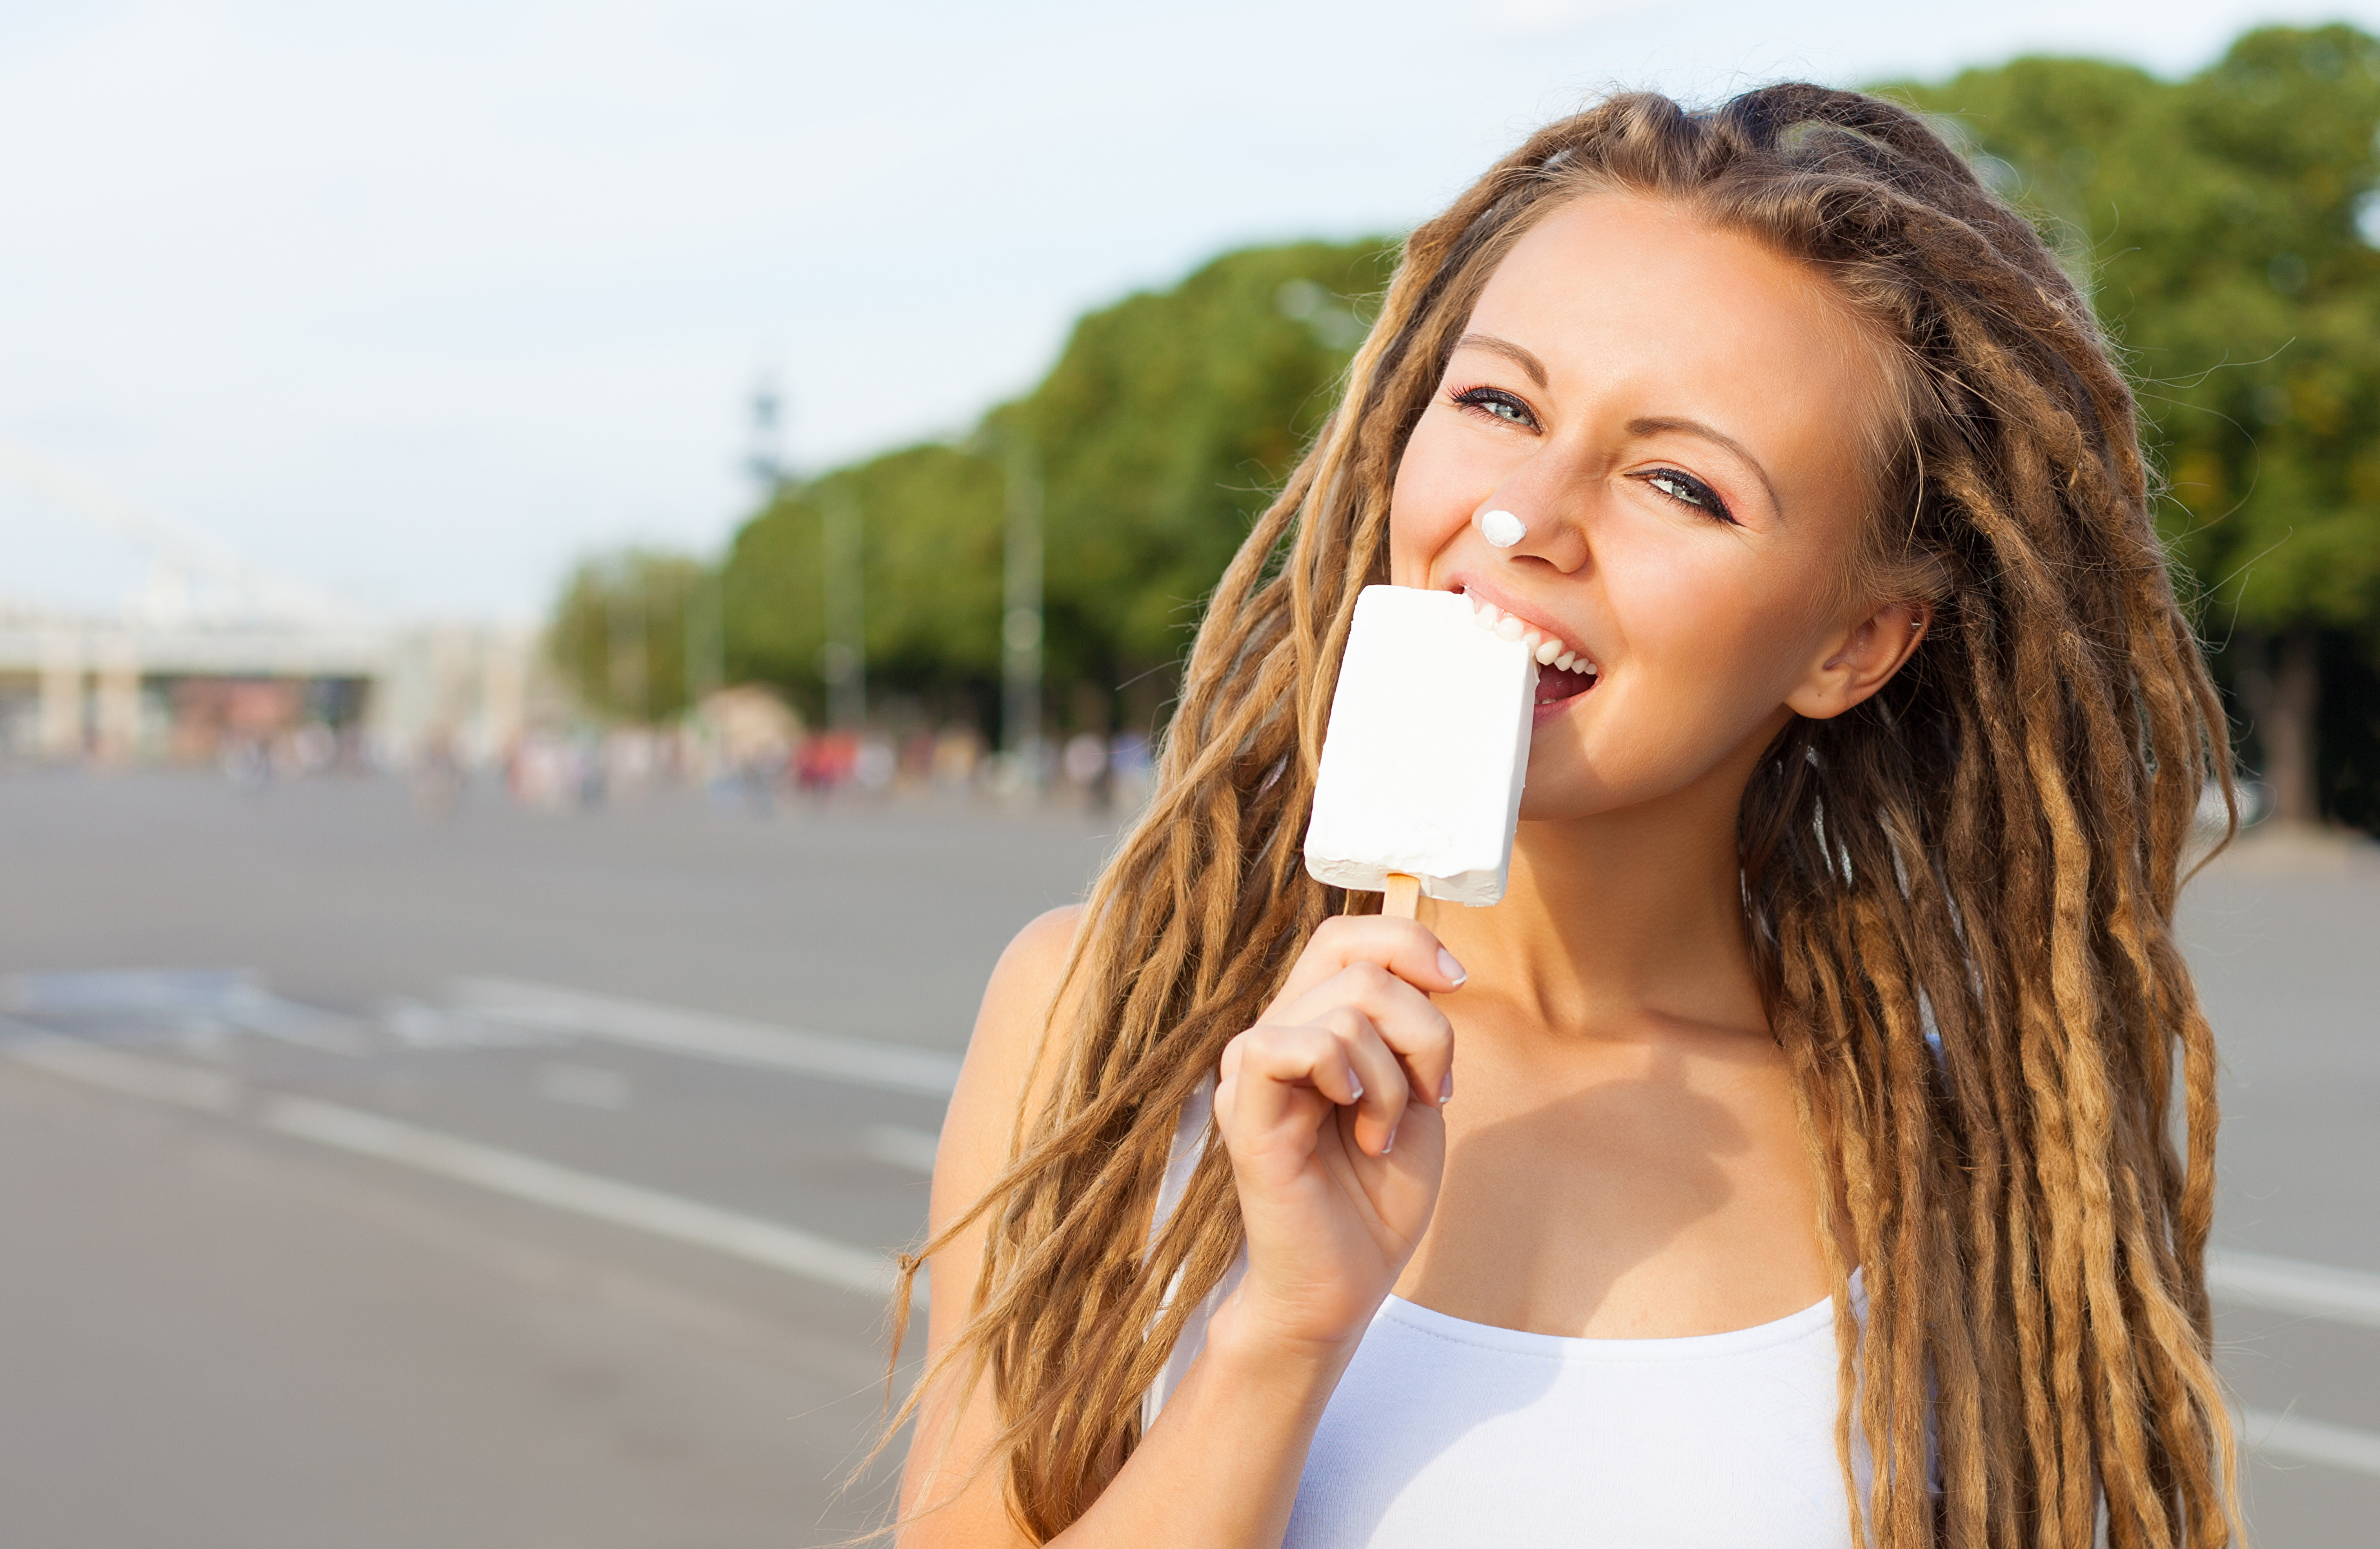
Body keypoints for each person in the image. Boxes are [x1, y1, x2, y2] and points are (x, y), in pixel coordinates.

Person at [891, 85, 2242, 1548]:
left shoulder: (1958, 1143)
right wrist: (1280, 1334)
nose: (1526, 513)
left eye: (1680, 482)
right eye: (1497, 403)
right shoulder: (1099, 1021)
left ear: (1855, 645)